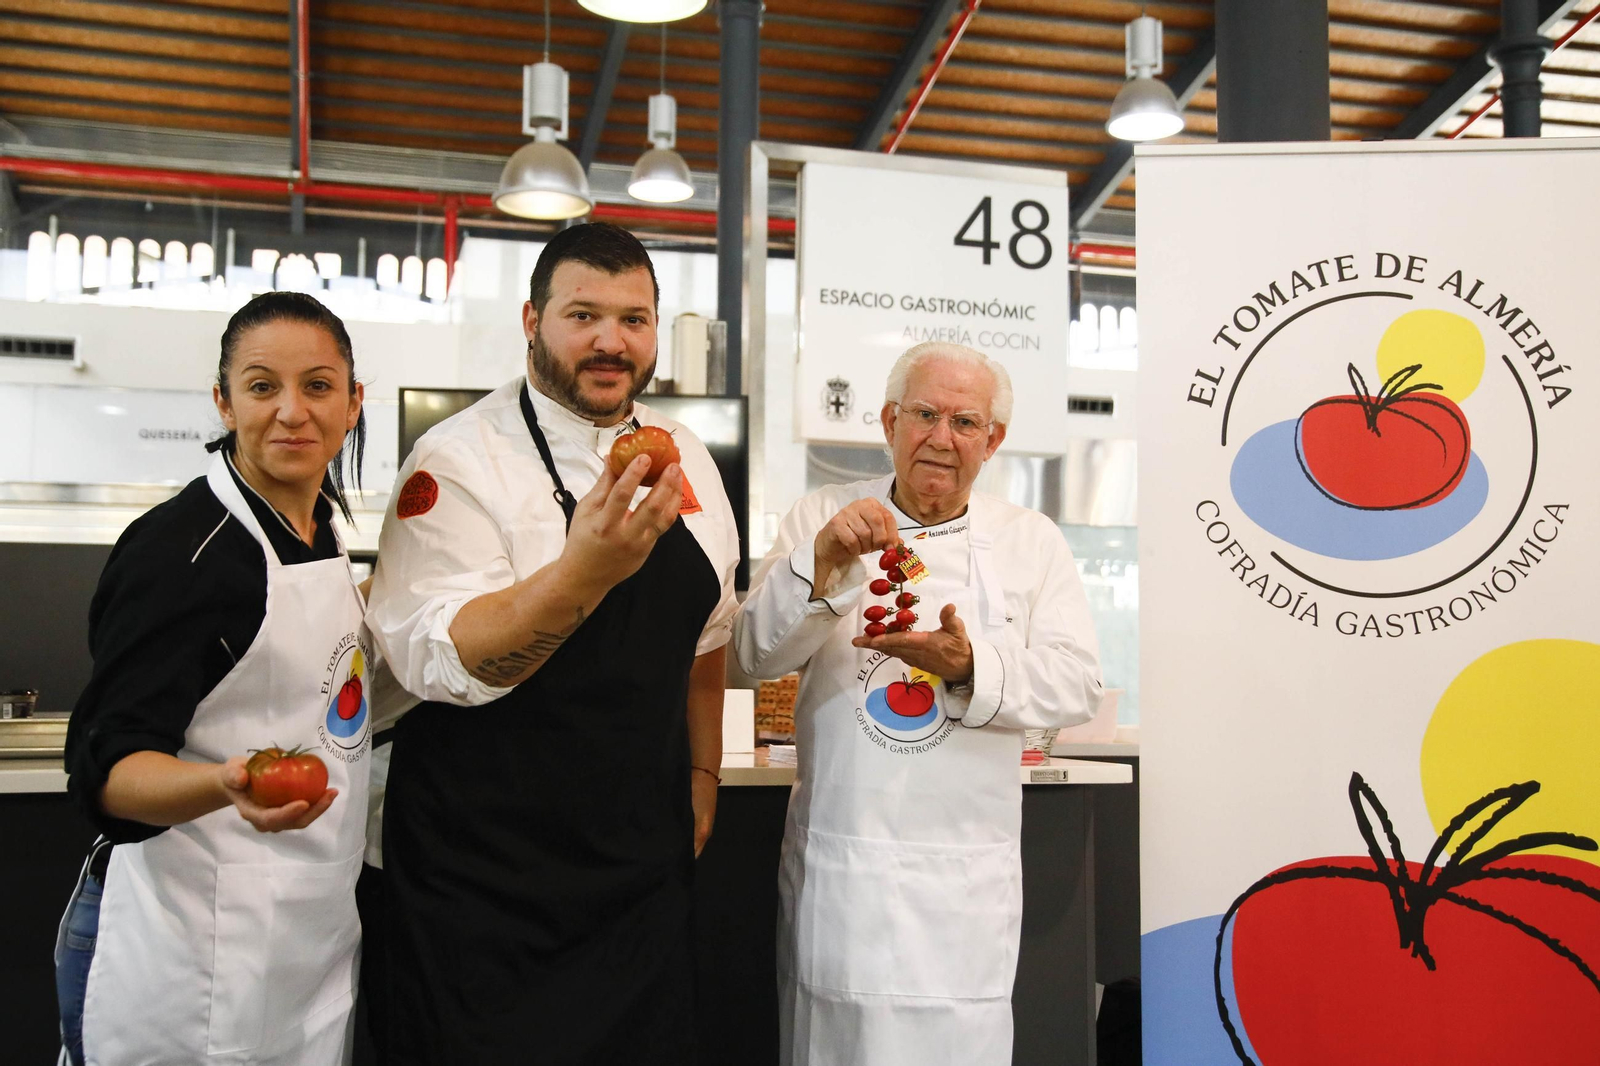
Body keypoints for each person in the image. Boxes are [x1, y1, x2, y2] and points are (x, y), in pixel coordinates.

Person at [365, 222, 741, 1063]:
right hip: (482, 880)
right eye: (584, 315)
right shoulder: (458, 461)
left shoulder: (694, 466)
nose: (611, 342)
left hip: (636, 872)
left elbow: (706, 636)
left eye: (634, 320)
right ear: (532, 321)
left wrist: (702, 771)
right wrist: (582, 575)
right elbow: (439, 660)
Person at [734, 341, 1105, 1064]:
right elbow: (754, 656)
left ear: (992, 441)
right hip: (846, 871)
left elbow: (1077, 685)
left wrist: (971, 666)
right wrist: (825, 561)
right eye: (925, 415)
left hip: (964, 887)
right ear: (888, 421)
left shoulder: (1032, 542)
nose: (942, 438)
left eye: (965, 422)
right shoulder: (824, 513)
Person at [57, 291, 374, 1066]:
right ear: (224, 402)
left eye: (319, 386)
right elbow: (109, 774)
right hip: (190, 953)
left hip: (304, 942)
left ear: (354, 402)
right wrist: (227, 783)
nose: (292, 412)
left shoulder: (322, 527)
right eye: (263, 387)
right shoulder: (182, 552)